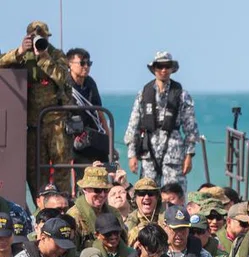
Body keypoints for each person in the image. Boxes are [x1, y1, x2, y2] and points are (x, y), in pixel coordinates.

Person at [0, 22, 71, 200]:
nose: (38, 41)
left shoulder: (55, 54)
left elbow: (63, 77)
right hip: (33, 123)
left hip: (56, 121)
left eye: (42, 37)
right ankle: (41, 203)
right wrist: (19, 52)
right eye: (34, 37)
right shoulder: (23, 56)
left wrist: (44, 57)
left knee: (61, 166)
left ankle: (63, 203)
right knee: (34, 170)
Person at [124, 52, 199, 191]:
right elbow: (133, 124)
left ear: (172, 69)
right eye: (159, 66)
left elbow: (191, 128)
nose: (163, 70)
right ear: (154, 68)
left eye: (167, 66)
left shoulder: (181, 94)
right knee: (147, 192)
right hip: (148, 152)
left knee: (174, 194)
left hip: (173, 153)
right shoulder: (143, 93)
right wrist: (132, 154)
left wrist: (189, 155)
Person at [65, 48, 110, 164]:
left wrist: (109, 141)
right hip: (76, 139)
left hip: (94, 135)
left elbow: (99, 112)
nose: (86, 67)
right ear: (70, 64)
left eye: (88, 63)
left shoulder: (90, 82)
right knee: (82, 172)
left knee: (106, 169)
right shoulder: (65, 84)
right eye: (82, 63)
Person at [67, 166, 122, 251]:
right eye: (97, 190)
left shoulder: (114, 213)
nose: (102, 195)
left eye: (106, 190)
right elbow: (71, 253)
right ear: (85, 189)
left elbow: (123, 242)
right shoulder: (74, 216)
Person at [124, 178, 162, 243]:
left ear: (157, 197)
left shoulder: (165, 217)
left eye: (151, 193)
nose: (146, 197)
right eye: (142, 193)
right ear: (135, 198)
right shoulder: (130, 221)